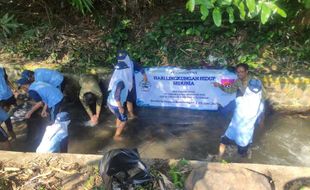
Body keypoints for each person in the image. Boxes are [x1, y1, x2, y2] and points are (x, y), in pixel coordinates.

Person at [218, 79, 264, 158]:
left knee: (223, 143)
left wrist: (219, 107)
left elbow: (224, 112)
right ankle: (239, 162)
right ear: (260, 91)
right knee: (242, 154)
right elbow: (259, 120)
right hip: (245, 136)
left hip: (233, 130)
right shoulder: (261, 105)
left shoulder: (238, 100)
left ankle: (219, 158)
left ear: (248, 89)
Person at [108, 50, 148, 119]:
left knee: (129, 100)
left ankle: (129, 115)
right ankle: (121, 116)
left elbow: (140, 68)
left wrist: (144, 75)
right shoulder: (119, 64)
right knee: (119, 99)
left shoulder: (131, 63)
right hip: (120, 85)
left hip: (128, 85)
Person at [107, 62, 129, 141]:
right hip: (115, 104)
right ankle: (116, 136)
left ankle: (117, 127)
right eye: (126, 69)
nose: (127, 71)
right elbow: (117, 96)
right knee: (124, 120)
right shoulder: (121, 82)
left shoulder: (116, 79)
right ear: (123, 71)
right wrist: (120, 107)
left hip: (110, 102)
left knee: (119, 116)